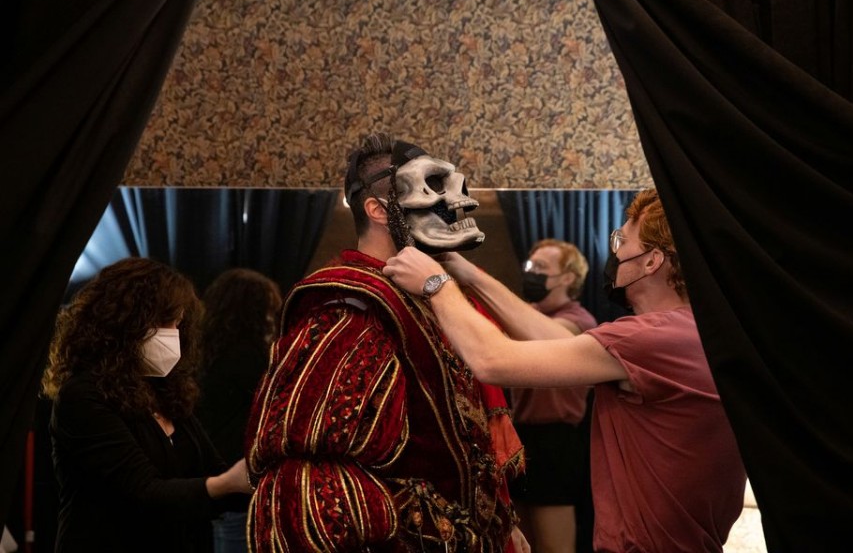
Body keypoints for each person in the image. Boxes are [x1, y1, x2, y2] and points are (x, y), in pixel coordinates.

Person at [384, 189, 747, 552]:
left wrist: (436, 284)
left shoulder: (650, 338)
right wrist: (469, 274)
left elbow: (492, 360)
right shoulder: (690, 331)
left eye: (622, 241)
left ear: (652, 261)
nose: (616, 253)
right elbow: (555, 339)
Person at [244, 132, 529, 552]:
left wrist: (499, 524)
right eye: (429, 190)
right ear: (378, 210)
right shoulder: (351, 304)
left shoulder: (425, 294)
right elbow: (314, 466)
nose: (450, 205)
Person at [42, 257, 254, 553]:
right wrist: (225, 484)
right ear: (124, 322)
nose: (173, 335)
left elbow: (213, 471)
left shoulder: (164, 392)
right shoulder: (83, 396)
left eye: (178, 324)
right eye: (165, 322)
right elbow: (143, 492)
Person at [512, 239, 596, 553]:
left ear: (568, 278)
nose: (532, 273)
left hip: (557, 441)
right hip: (523, 438)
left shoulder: (578, 320)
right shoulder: (528, 314)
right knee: (522, 543)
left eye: (542, 267)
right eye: (530, 266)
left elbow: (540, 337)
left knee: (553, 545)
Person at [195, 268, 283, 553]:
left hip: (211, 482)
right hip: (241, 483)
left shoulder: (201, 354)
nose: (272, 320)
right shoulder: (251, 358)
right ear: (254, 313)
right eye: (268, 311)